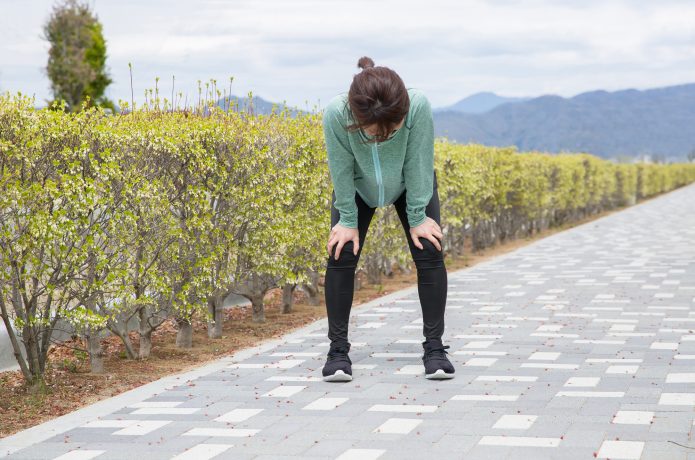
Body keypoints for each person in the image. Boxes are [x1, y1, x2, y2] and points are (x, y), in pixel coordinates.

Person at [321, 56, 454, 382]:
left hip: (411, 185)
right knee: (341, 253)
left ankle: (435, 350)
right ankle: (337, 352)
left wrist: (418, 216)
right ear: (355, 117)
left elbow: (419, 163)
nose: (381, 137)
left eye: (390, 132)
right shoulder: (336, 114)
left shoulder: (417, 106)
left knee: (430, 249)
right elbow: (340, 170)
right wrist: (347, 220)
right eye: (372, 133)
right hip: (357, 188)